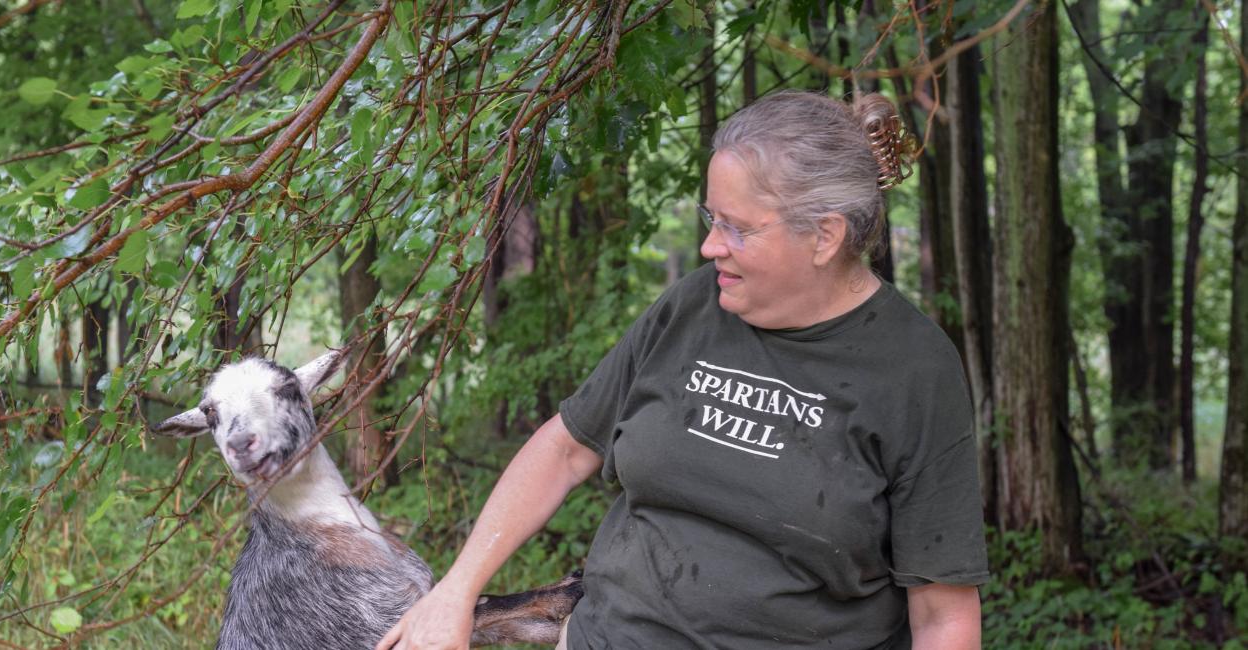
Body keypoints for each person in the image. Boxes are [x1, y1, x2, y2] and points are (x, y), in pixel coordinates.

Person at [378, 90, 989, 650]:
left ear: (825, 236)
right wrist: (455, 590)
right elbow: (565, 449)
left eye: (737, 228)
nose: (710, 245)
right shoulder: (695, 305)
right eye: (710, 217)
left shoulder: (914, 369)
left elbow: (943, 615)